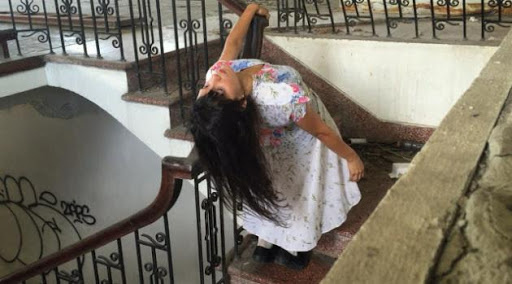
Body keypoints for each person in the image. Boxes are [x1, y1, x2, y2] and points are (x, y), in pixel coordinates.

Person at [190, 3, 364, 270]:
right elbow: (320, 130)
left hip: (269, 145)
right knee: (299, 191)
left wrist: (249, 10)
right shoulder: (277, 97)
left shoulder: (219, 75)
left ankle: (265, 244)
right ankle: (295, 248)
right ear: (241, 104)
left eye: (208, 87)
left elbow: (233, 43)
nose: (215, 79)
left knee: (276, 189)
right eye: (218, 90)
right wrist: (351, 157)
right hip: (300, 143)